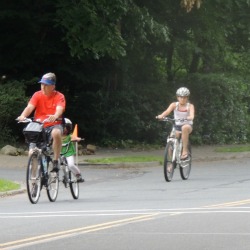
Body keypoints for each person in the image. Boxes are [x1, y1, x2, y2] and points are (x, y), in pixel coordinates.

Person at [17, 72, 66, 172]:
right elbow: (30, 107)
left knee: (56, 133)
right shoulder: (37, 95)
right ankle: (34, 182)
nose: (43, 87)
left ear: (53, 86)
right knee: (32, 153)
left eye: (46, 85)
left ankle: (56, 160)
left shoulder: (59, 96)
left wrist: (55, 116)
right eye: (42, 84)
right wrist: (23, 116)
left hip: (54, 124)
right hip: (39, 126)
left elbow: (59, 109)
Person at [156, 87, 195, 160]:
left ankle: (185, 151)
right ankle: (172, 163)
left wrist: (190, 117)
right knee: (170, 142)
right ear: (177, 97)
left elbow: (192, 114)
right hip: (177, 126)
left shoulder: (190, 106)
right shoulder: (174, 105)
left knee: (184, 128)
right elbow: (167, 112)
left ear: (187, 98)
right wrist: (161, 116)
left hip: (187, 126)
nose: (182, 99)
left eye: (185, 97)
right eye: (181, 97)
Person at [61, 118, 84, 182]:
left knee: (70, 165)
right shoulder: (57, 136)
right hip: (60, 153)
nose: (65, 129)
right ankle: (55, 177)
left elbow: (74, 137)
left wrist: (77, 139)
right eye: (63, 127)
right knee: (55, 164)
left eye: (67, 127)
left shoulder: (70, 136)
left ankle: (78, 174)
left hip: (69, 153)